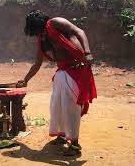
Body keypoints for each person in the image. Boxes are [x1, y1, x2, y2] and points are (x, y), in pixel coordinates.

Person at [17, 10, 97, 156]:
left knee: (70, 107)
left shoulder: (55, 23)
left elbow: (79, 31)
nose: (37, 33)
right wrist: (25, 79)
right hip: (61, 73)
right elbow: (37, 63)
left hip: (76, 71)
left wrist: (87, 52)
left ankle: (74, 144)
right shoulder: (42, 38)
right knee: (57, 107)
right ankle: (61, 136)